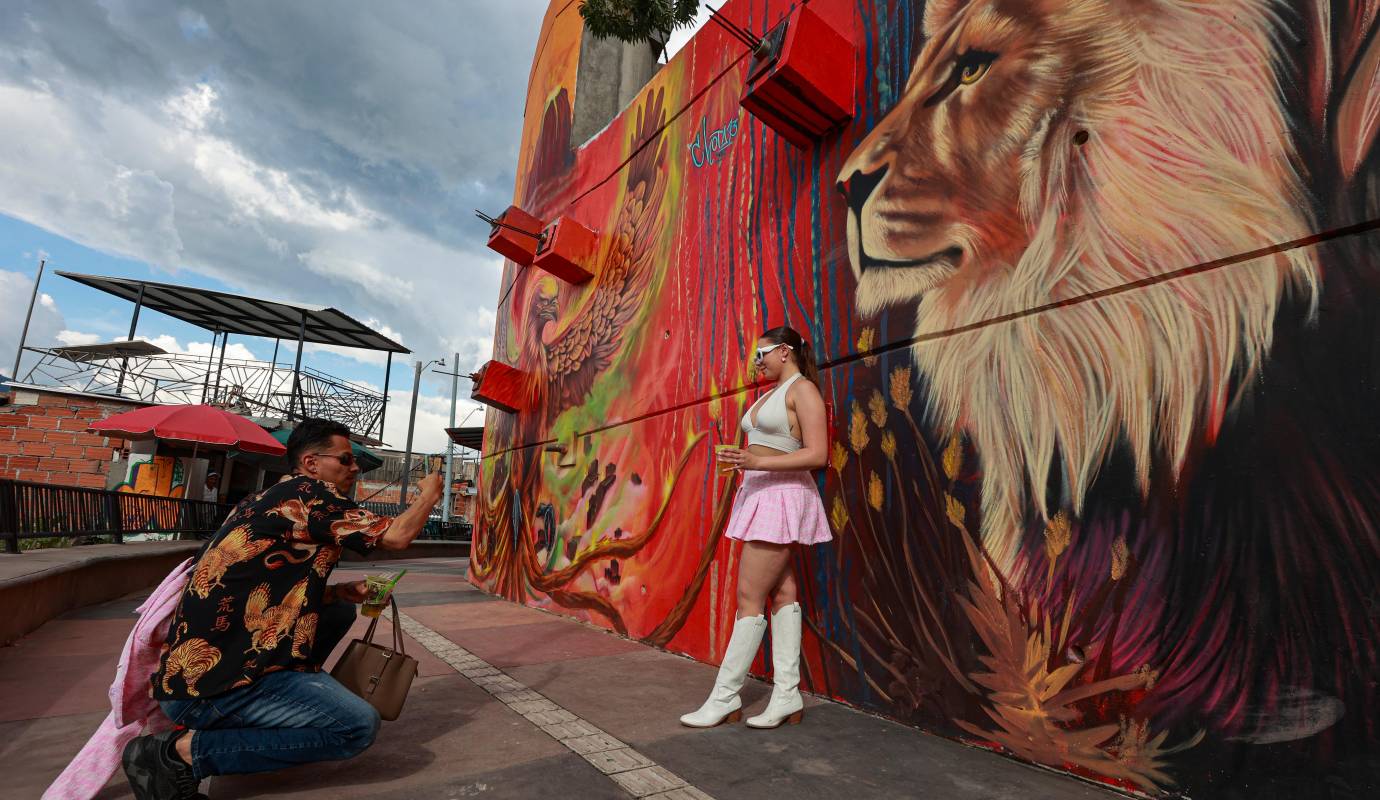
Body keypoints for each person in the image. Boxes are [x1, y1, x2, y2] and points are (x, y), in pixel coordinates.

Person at [121, 418, 444, 800]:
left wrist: (339, 593)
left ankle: (276, 700)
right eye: (345, 459)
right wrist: (428, 496)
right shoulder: (311, 495)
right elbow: (396, 536)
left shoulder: (261, 499)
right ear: (311, 463)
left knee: (339, 614)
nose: (355, 466)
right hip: (216, 687)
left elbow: (262, 584)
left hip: (190, 680)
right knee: (356, 727)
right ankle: (179, 754)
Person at [680, 325, 832, 730]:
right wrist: (749, 463)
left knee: (749, 597)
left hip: (780, 496)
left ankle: (724, 698)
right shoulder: (772, 393)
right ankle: (786, 695)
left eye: (761, 354)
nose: (755, 362)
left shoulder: (804, 390)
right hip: (762, 494)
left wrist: (755, 462)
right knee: (782, 594)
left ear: (785, 351)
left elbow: (818, 455)